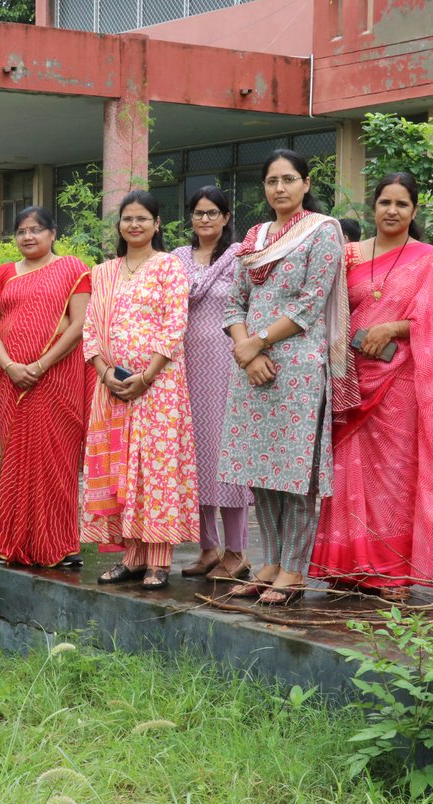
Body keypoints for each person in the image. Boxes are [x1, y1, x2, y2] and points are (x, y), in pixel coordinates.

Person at [310, 172, 433, 598]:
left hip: (399, 384)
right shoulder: (348, 255)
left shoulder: (428, 258)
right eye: (385, 203)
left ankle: (391, 570)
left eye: (402, 204)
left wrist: (396, 327)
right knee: (347, 471)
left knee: (395, 477)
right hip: (350, 380)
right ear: (373, 207)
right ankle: (346, 566)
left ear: (414, 211)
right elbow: (326, 308)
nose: (392, 211)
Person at [219, 149, 355, 606]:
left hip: (297, 366)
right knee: (261, 472)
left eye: (289, 179)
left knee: (295, 475)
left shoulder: (323, 231)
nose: (280, 188)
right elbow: (233, 302)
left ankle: (295, 571)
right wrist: (245, 350)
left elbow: (311, 302)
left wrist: (257, 343)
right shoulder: (255, 236)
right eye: (272, 180)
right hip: (252, 368)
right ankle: (271, 562)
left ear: (306, 183)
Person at [82, 192, 199, 588]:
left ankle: (159, 560)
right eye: (128, 219)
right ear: (119, 226)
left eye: (143, 218)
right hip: (112, 387)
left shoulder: (169, 267)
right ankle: (132, 557)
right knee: (121, 470)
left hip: (158, 388)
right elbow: (90, 330)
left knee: (155, 470)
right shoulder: (103, 272)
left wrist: (146, 376)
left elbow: (174, 326)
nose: (134, 225)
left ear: (157, 224)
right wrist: (104, 373)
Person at [0, 206, 91, 568]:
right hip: (14, 382)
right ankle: (11, 541)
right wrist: (10, 366)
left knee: (56, 461)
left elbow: (78, 325)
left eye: (36, 230)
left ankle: (59, 544)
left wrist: (41, 365)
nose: (28, 236)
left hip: (57, 379)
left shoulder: (73, 270)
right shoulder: (4, 274)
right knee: (16, 459)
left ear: (53, 233)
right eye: (21, 231)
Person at [171, 187, 252, 582]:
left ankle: (237, 550)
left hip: (226, 364)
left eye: (213, 212)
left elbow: (250, 305)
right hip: (184, 366)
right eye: (198, 212)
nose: (205, 219)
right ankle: (208, 548)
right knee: (194, 455)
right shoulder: (176, 259)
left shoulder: (240, 257)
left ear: (225, 216)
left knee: (227, 454)